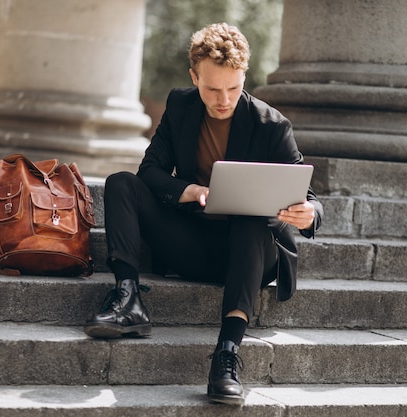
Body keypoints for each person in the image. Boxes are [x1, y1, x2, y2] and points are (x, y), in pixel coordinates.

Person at [83, 22, 323, 406]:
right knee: (121, 182)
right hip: (192, 243)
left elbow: (310, 198)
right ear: (194, 77)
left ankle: (226, 356)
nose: (223, 98)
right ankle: (127, 299)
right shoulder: (180, 105)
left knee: (249, 221)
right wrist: (188, 191)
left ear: (244, 76)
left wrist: (308, 214)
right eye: (212, 89)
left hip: (249, 254)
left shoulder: (272, 126)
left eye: (233, 87)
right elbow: (151, 171)